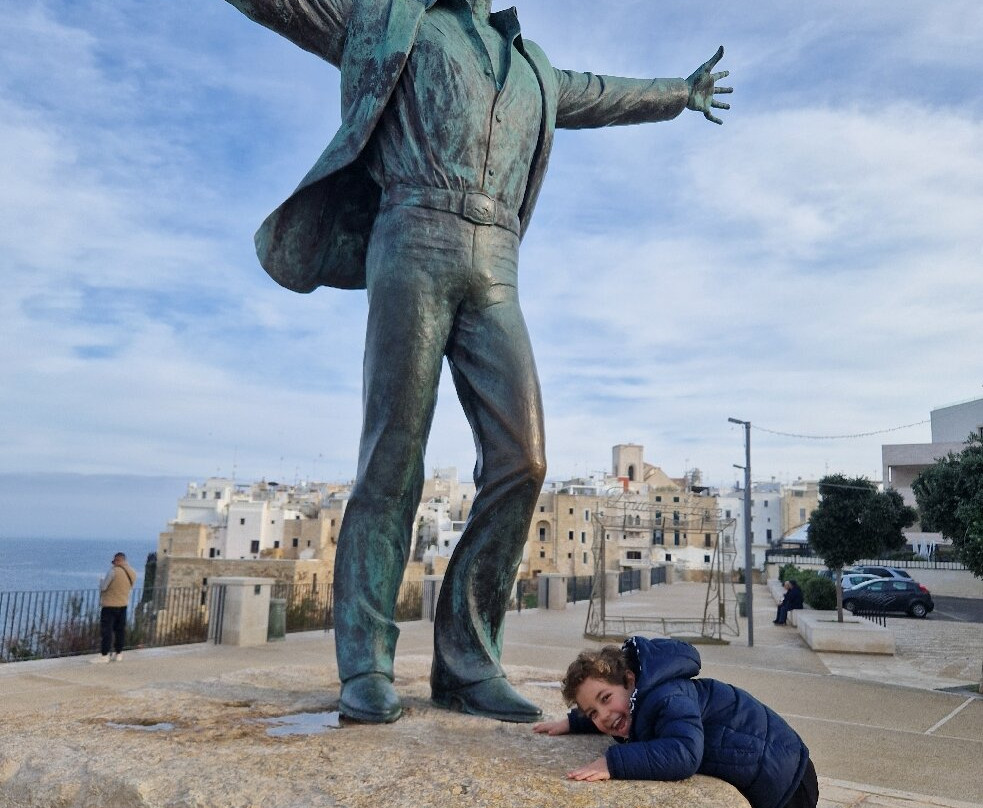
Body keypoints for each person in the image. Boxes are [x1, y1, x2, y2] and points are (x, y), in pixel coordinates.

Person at [217, 0, 732, 724]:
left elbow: (601, 93)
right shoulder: (398, 20)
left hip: (497, 260)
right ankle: (365, 664)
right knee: (392, 455)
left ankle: (464, 664)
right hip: (412, 232)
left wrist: (679, 92)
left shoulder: (535, 68)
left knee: (522, 461)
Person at [533, 637, 818, 808]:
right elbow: (613, 711)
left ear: (631, 681)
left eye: (605, 698)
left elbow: (683, 753)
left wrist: (615, 762)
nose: (604, 716)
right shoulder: (636, 701)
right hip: (774, 766)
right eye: (592, 713)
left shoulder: (668, 696)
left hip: (786, 780)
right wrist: (573, 723)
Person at [92, 552, 137, 663]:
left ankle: (104, 654)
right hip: (123, 604)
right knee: (120, 630)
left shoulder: (113, 572)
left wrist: (101, 581)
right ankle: (119, 653)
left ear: (117, 560)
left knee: (107, 630)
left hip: (109, 605)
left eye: (114, 562)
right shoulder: (132, 572)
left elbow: (104, 587)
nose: (113, 564)